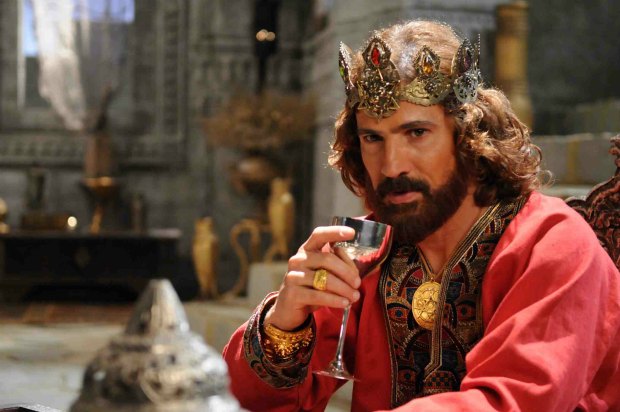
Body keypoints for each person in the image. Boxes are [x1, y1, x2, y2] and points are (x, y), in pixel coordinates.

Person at [222, 20, 620, 411]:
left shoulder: (553, 244)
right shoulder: (368, 250)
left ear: (467, 136)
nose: (392, 165)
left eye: (416, 133)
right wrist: (284, 323)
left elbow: (512, 402)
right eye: (373, 138)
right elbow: (248, 401)